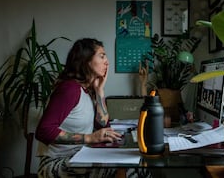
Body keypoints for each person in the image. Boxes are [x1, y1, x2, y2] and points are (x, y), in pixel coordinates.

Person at [35, 38, 151, 178]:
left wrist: (100, 91)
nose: (107, 62)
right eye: (101, 56)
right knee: (131, 169)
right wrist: (89, 138)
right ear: (85, 60)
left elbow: (102, 126)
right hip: (55, 164)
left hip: (79, 156)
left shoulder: (87, 91)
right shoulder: (70, 89)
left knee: (139, 164)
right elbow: (44, 131)